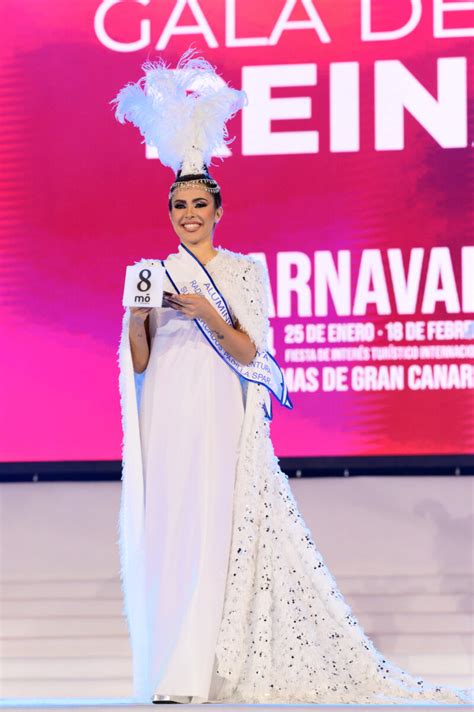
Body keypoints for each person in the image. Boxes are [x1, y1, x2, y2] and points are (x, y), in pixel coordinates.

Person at [112, 50, 473, 705]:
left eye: (198, 204)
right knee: (174, 533)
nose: (188, 214)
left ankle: (207, 671)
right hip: (169, 419)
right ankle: (174, 669)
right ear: (169, 213)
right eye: (178, 205)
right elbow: (137, 363)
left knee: (218, 533)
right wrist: (140, 319)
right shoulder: (150, 271)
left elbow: (254, 355)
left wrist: (207, 316)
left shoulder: (246, 271)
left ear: (217, 209)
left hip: (222, 419)